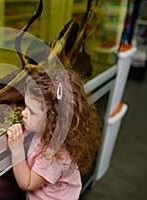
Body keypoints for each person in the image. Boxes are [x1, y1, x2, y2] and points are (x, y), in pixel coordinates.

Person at [6, 69, 102, 200]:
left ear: (53, 121)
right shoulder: (49, 130)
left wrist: (17, 148)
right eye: (25, 105)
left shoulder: (54, 155)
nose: (23, 113)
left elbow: (27, 183)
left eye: (31, 111)